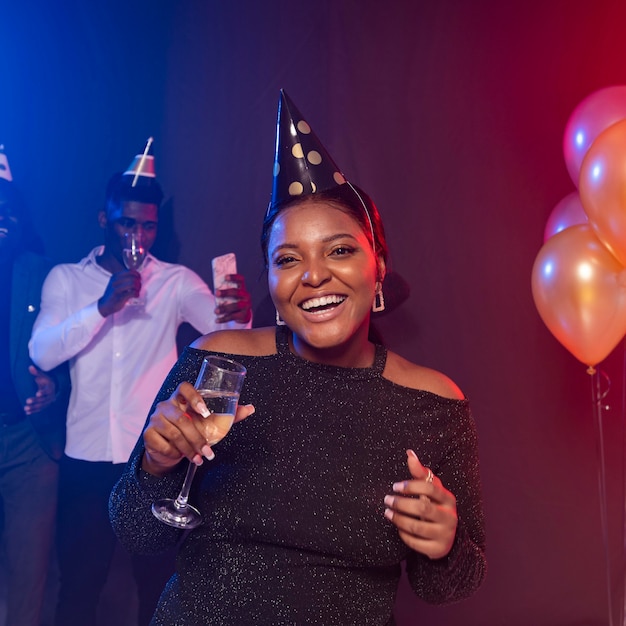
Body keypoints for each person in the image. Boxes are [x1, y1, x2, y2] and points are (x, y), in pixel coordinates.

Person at [109, 91, 486, 625]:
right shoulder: (218, 364)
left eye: (339, 250)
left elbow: (447, 585)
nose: (313, 275)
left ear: (377, 265)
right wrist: (157, 463)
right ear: (270, 279)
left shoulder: (433, 403)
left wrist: (445, 542)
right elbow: (136, 533)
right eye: (288, 258)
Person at [28, 140, 253, 626]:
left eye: (148, 224)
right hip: (85, 460)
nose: (139, 235)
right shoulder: (66, 279)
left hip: (153, 459)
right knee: (79, 588)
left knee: (156, 587)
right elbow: (40, 351)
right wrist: (101, 308)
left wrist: (239, 313)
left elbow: (225, 330)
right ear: (104, 220)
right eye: (129, 223)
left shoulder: (173, 281)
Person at [0, 147, 70, 626]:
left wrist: (54, 386)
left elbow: (68, 355)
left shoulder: (43, 272)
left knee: (28, 577)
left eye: (10, 209)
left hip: (27, 440)